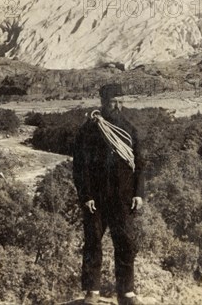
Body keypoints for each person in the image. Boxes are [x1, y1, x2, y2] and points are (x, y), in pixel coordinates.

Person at [73, 84, 145, 305]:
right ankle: (92, 290)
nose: (118, 105)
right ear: (103, 102)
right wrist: (86, 196)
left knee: (125, 242)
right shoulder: (89, 130)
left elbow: (140, 164)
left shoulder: (129, 130)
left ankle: (126, 292)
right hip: (96, 198)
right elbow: (80, 166)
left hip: (123, 198)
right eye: (114, 101)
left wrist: (138, 193)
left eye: (121, 100)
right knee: (93, 242)